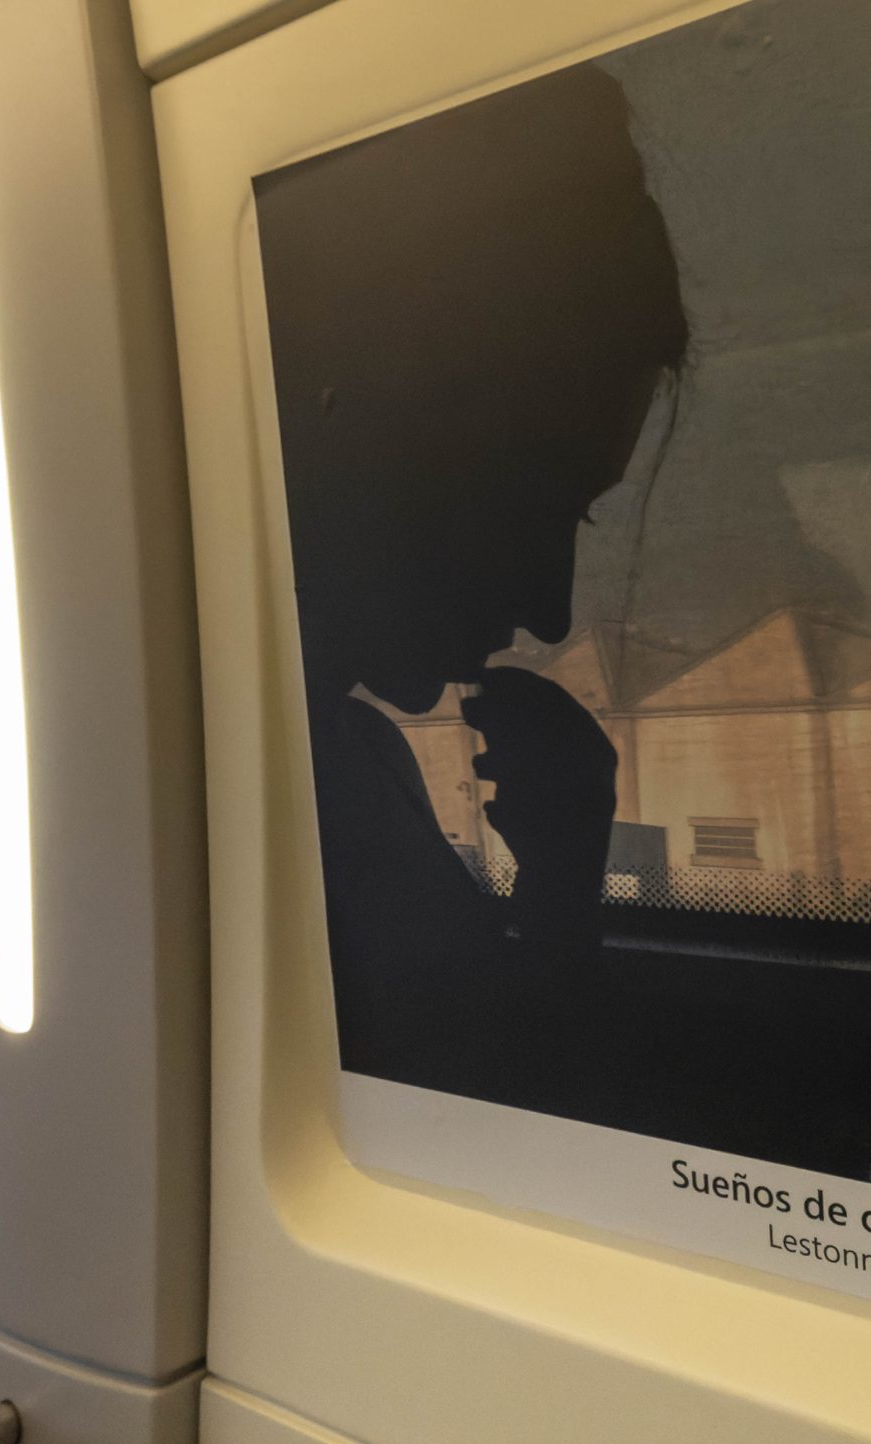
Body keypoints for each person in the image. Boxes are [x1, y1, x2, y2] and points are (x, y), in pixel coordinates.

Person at [256, 63, 689, 1101]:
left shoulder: (358, 762)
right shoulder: (284, 802)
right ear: (342, 420)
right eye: (526, 502)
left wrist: (559, 887)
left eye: (574, 518)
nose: (550, 609)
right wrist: (561, 906)